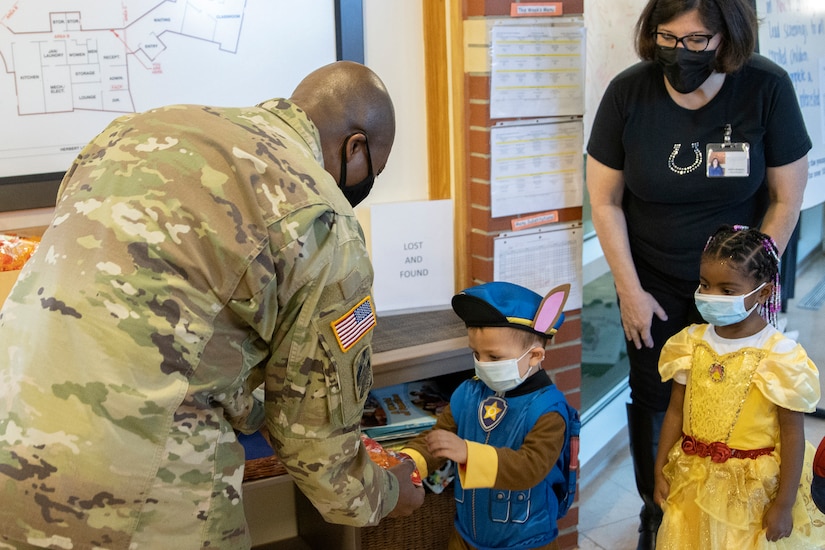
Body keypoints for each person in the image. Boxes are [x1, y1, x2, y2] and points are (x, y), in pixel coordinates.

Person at [0, 60, 424, 549]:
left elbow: (162, 324)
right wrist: (390, 493)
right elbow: (322, 454)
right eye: (375, 170)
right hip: (136, 493)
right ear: (355, 147)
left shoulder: (135, 131)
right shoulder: (319, 211)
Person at [585, 1, 811, 546]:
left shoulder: (766, 88)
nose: (679, 53)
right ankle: (656, 508)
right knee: (656, 395)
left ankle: (734, 509)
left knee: (740, 397)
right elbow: (606, 201)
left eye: (696, 41)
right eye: (667, 37)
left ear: (728, 37)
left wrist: (752, 285)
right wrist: (629, 290)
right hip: (653, 285)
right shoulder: (628, 93)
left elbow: (786, 198)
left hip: (740, 287)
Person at [653, 225, 825, 549]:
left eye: (728, 290)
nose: (711, 296)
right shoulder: (689, 343)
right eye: (705, 285)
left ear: (762, 292)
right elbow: (676, 410)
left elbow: (791, 433)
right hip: (693, 478)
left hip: (751, 491)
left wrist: (784, 504)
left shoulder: (780, 356)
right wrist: (660, 467)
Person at [402, 281, 578, 550]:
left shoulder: (549, 411)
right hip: (467, 535)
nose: (482, 365)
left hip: (526, 541)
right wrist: (406, 462)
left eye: (494, 357)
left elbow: (530, 467)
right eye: (477, 354)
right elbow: (439, 439)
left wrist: (468, 454)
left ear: (534, 356)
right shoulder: (468, 393)